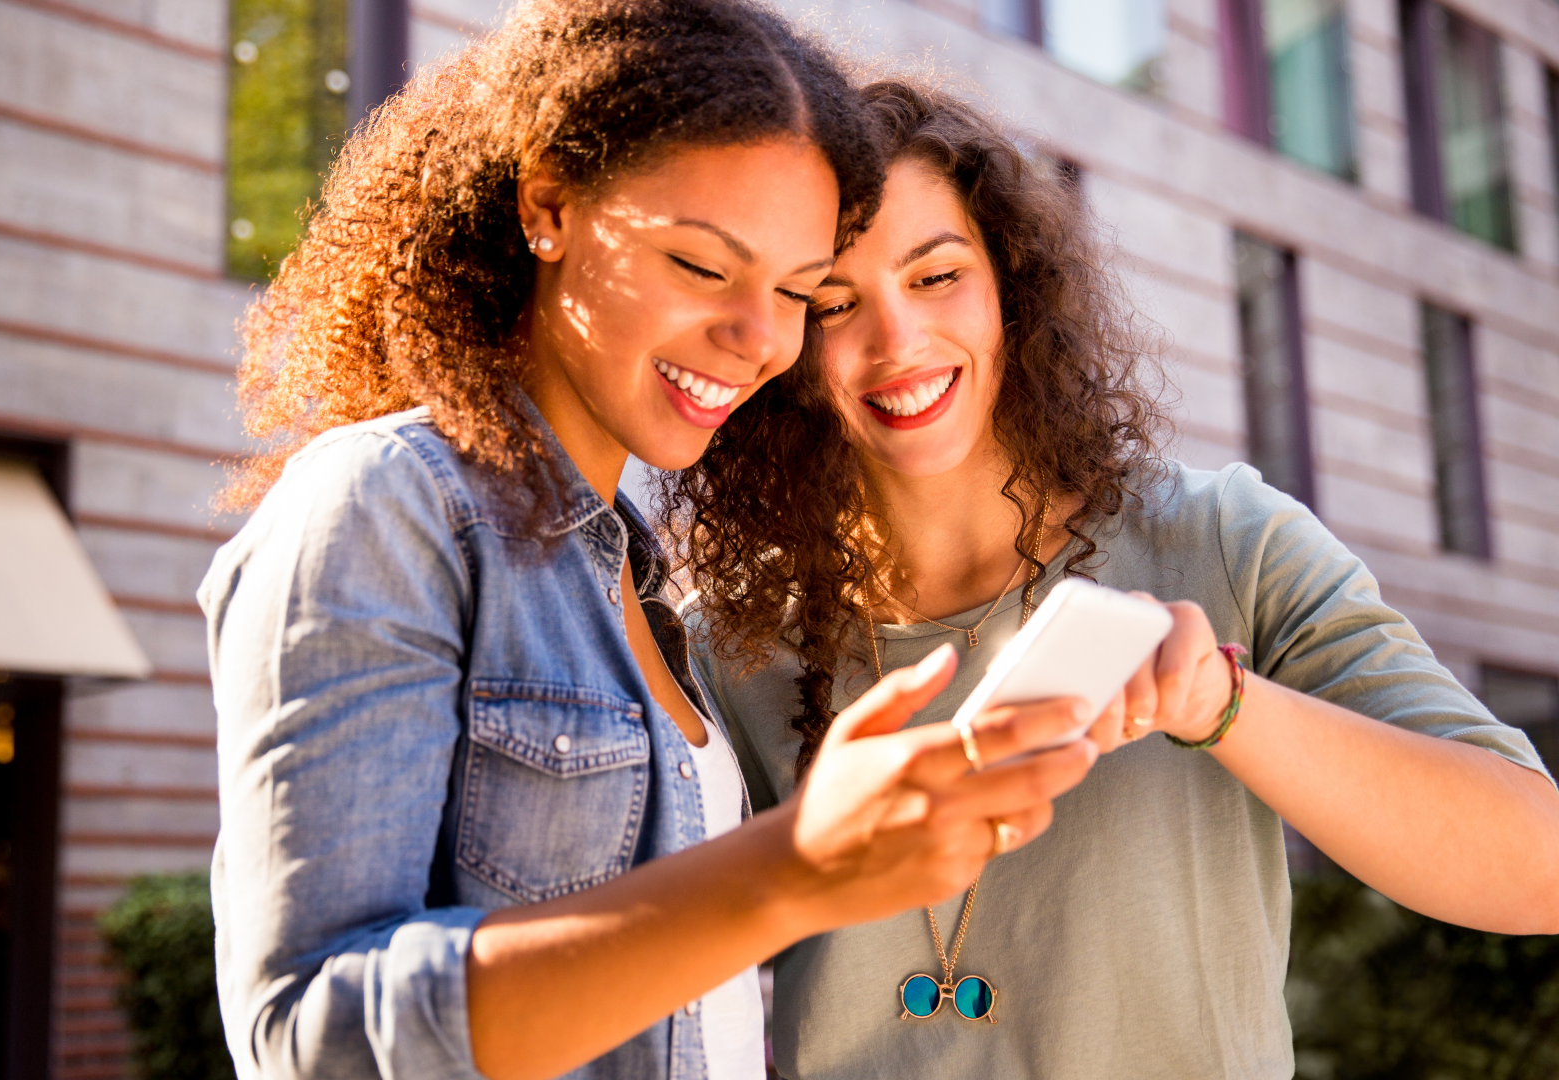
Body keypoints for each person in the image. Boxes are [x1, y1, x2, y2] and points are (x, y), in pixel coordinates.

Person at [201, 11, 1102, 1080]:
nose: (763, 341)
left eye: (798, 293)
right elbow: (312, 1037)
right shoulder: (387, 506)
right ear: (549, 206)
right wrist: (790, 870)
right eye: (701, 265)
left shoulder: (639, 576)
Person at [675, 77, 1559, 1079]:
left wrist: (1222, 703)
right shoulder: (731, 638)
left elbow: (1537, 866)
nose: (897, 342)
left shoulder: (1225, 540)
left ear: (1011, 283)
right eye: (835, 303)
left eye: (937, 277)